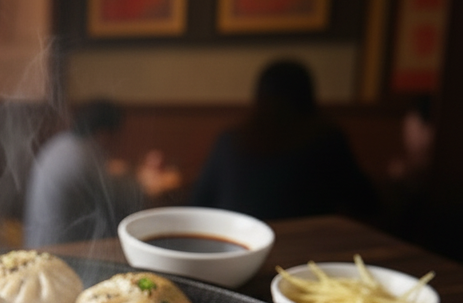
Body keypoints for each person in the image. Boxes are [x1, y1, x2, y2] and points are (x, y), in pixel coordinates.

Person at [191, 59, 378, 221]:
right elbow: (366, 203)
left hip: (240, 249)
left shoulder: (230, 140)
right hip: (307, 248)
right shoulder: (328, 140)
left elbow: (198, 202)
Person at [23, 99, 146, 247]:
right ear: (105, 134)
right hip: (63, 249)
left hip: (37, 241)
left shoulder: (61, 143)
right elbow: (129, 199)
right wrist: (142, 181)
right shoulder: (84, 157)